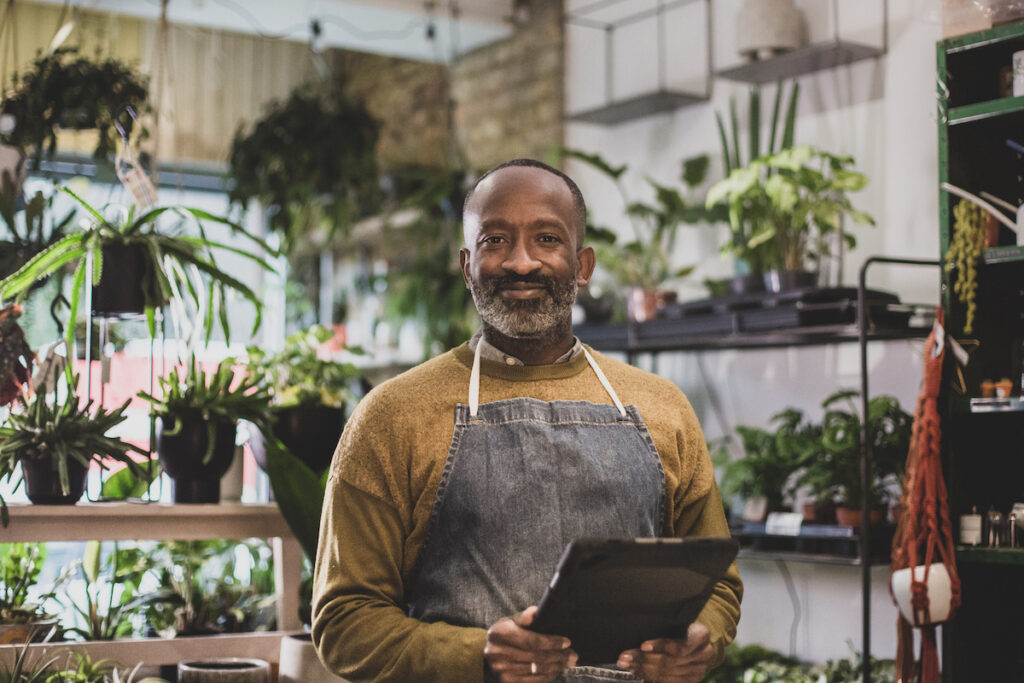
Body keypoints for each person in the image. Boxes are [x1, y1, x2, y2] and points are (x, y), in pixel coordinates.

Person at [312, 159, 742, 682]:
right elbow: (343, 620)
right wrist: (479, 657)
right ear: (467, 264)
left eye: (546, 239)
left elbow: (718, 583)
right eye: (495, 240)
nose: (521, 262)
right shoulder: (392, 416)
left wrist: (701, 639)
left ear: (582, 264)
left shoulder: (663, 408)